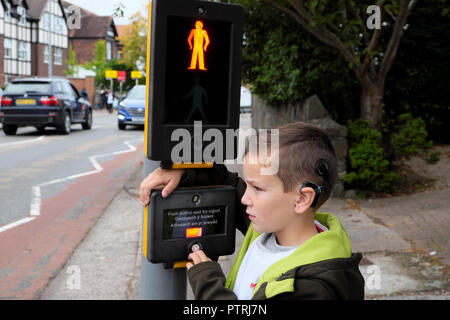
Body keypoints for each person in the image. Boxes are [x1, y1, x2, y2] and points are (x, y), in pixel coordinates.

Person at [139, 122, 365, 300]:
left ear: (302, 198)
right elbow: (229, 186)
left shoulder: (313, 286)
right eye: (248, 185)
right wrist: (185, 173)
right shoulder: (271, 225)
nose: (246, 198)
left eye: (257, 188)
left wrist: (208, 283)